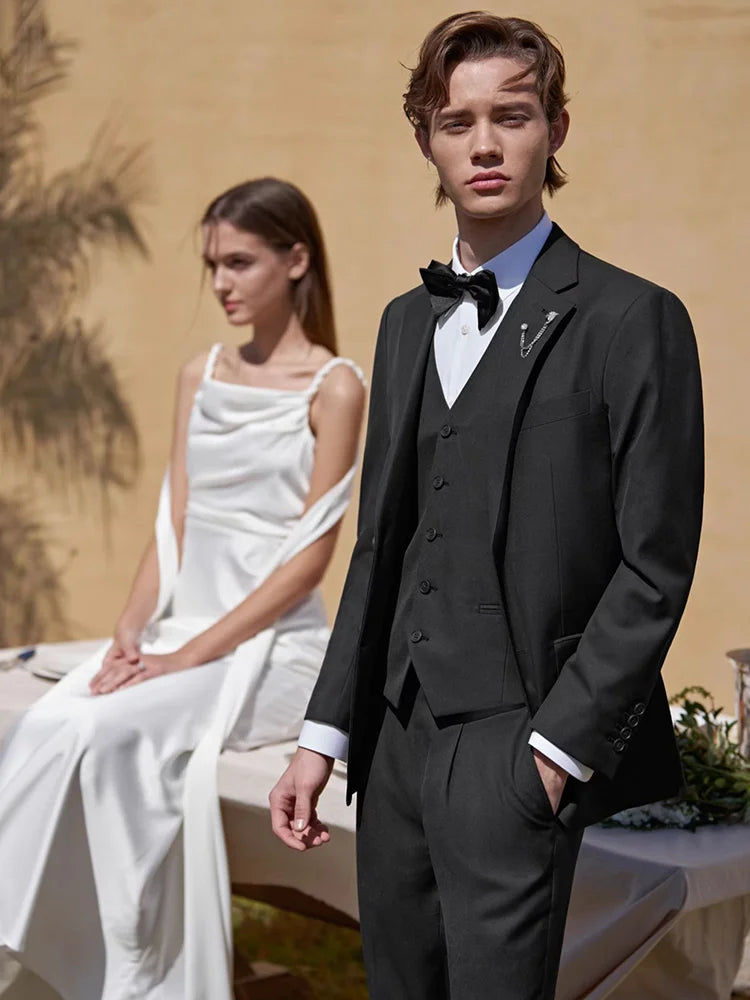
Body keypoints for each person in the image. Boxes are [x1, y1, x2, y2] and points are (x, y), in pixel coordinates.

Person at [270, 13, 703, 1000]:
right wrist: (322, 734)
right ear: (427, 136)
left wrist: (553, 753)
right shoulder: (400, 321)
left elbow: (655, 564)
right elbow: (381, 543)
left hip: (517, 742)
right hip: (393, 742)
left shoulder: (633, 320)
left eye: (512, 115)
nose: (485, 142)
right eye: (457, 120)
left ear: (556, 125)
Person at [0, 177, 365, 1000]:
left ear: (296, 258)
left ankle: (131, 973)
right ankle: (56, 957)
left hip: (275, 650)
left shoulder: (335, 386)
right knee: (56, 718)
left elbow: (308, 562)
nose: (222, 285)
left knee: (107, 734)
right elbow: (174, 519)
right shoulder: (198, 372)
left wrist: (186, 658)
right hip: (179, 636)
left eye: (240, 262)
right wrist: (131, 633)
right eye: (212, 266)